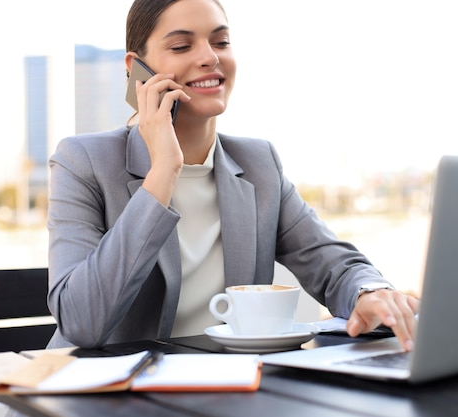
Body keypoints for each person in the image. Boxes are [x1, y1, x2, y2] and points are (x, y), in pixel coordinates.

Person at [45, 0, 420, 352]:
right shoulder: (83, 161)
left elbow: (331, 262)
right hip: (103, 398)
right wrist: (162, 173)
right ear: (136, 68)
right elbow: (82, 322)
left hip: (225, 391)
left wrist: (369, 293)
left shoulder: (259, 163)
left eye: (220, 41)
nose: (210, 57)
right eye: (181, 47)